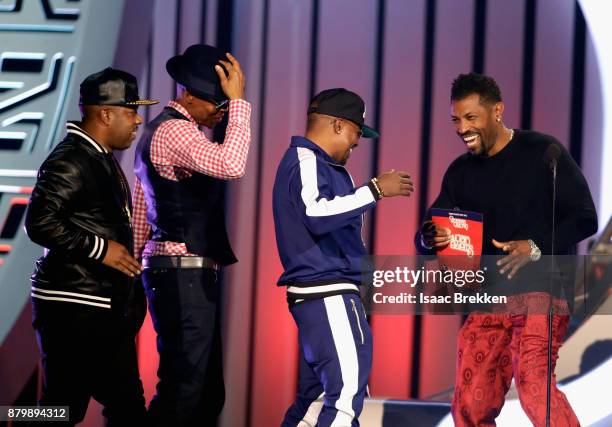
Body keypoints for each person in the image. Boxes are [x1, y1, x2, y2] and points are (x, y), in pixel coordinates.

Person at [415, 73, 598, 427]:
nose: (462, 128)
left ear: (497, 111)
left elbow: (585, 218)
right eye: (456, 119)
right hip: (488, 298)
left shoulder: (544, 152)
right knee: (469, 406)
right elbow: (428, 232)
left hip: (541, 290)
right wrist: (428, 238)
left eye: (471, 118)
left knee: (534, 385)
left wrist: (534, 246)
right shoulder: (460, 173)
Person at [273, 88, 414, 426]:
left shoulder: (331, 170)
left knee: (315, 404)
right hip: (326, 293)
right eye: (356, 132)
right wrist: (375, 190)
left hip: (332, 294)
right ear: (337, 125)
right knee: (345, 399)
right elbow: (315, 214)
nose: (357, 142)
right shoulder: (305, 160)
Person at [25, 67, 157, 426]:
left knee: (89, 405)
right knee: (72, 406)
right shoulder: (72, 158)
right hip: (76, 307)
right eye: (131, 111)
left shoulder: (97, 156)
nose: (138, 120)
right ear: (105, 113)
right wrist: (102, 249)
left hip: (94, 305)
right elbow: (40, 222)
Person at [132, 44, 250, 426]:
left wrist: (137, 265)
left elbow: (141, 209)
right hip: (180, 273)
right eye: (219, 106)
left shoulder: (167, 133)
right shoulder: (174, 131)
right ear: (190, 94)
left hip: (182, 273)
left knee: (205, 391)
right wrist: (240, 104)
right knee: (184, 389)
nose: (222, 114)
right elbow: (232, 164)